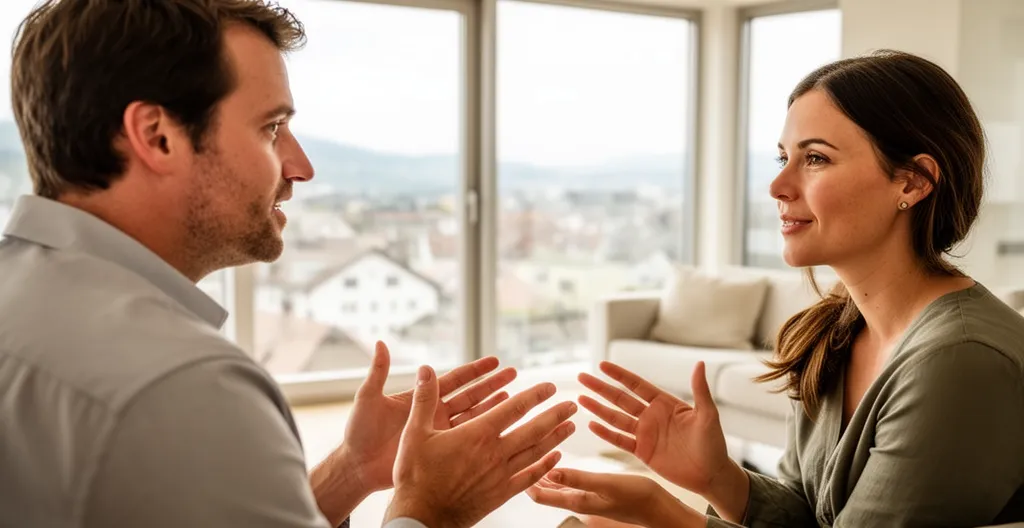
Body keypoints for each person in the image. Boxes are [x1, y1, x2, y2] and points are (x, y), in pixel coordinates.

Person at [0, 1, 578, 527]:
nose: (300, 167)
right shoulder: (183, 386)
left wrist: (351, 471)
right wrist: (430, 508)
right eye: (271, 128)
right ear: (157, 137)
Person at [527, 50, 1024, 527]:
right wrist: (719, 478)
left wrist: (665, 516)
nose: (777, 185)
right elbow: (808, 516)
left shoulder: (963, 359)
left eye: (815, 159)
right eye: (783, 156)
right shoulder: (835, 335)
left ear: (912, 183)